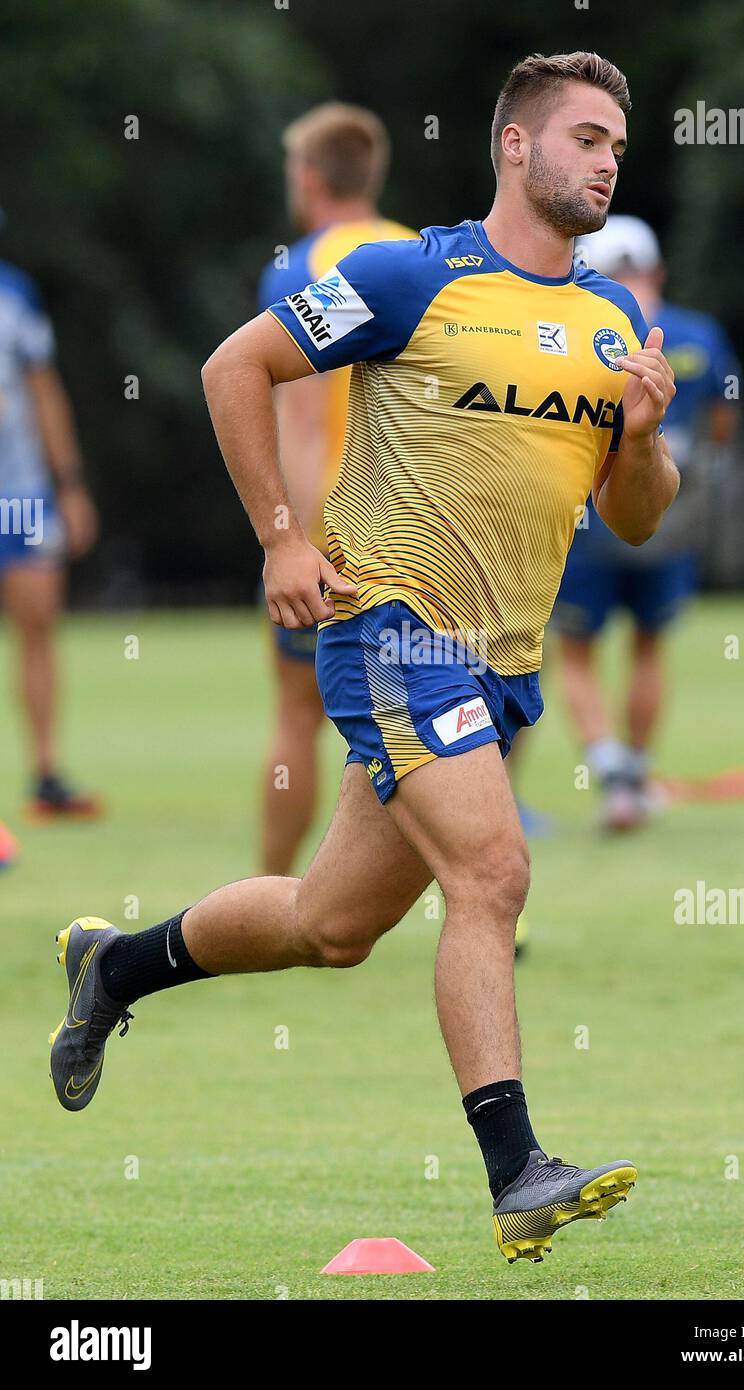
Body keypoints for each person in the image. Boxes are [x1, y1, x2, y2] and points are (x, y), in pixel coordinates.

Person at [50, 51, 679, 1264]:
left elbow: (636, 514)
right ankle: (516, 1171)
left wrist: (643, 440)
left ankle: (114, 965)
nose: (607, 161)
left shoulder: (610, 325)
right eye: (585, 138)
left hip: (497, 661)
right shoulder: (405, 275)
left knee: (331, 926)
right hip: (391, 626)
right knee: (491, 875)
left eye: (615, 143)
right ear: (513, 145)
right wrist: (280, 538)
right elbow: (236, 365)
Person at [258, 104, 415, 875]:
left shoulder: (305, 265)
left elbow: (299, 419)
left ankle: (271, 891)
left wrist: (291, 537)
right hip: (428, 537)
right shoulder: (422, 253)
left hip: (336, 530)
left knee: (297, 717)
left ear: (312, 178)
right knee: (434, 712)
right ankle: (472, 891)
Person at [553, 216, 740, 829]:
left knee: (575, 652)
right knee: (650, 644)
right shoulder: (701, 334)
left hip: (589, 516)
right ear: (656, 269)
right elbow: (723, 421)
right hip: (669, 514)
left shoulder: (585, 329)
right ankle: (634, 771)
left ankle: (609, 772)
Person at [0, 256, 100, 816]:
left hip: (19, 494)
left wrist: (70, 484)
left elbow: (44, 391)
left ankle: (44, 775)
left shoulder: (16, 295)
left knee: (37, 623)